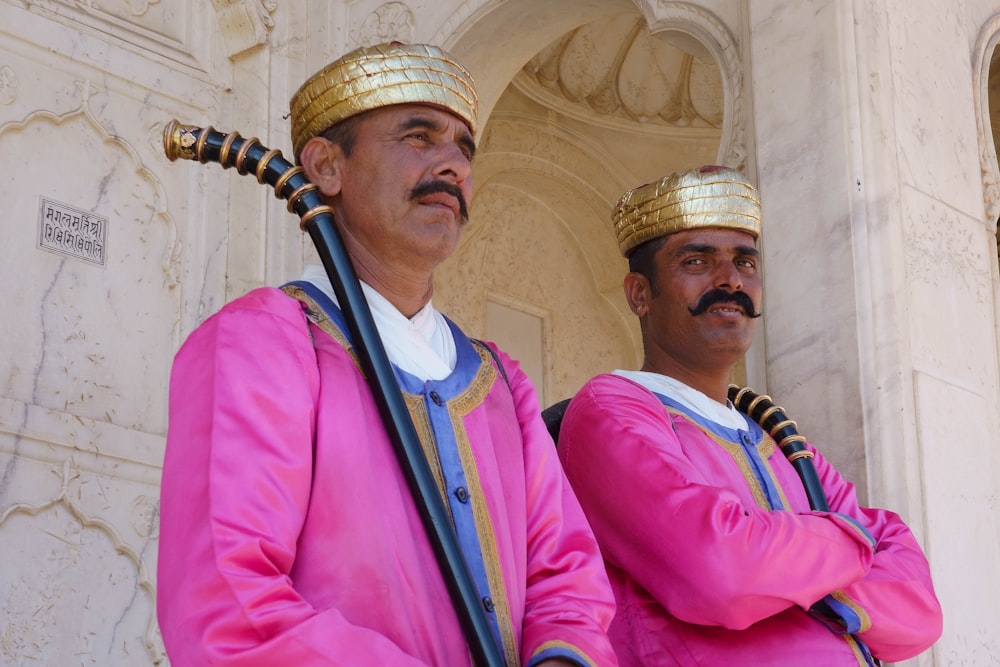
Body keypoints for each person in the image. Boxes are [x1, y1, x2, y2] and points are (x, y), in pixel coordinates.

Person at [157, 42, 618, 667]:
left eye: (464, 148)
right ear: (325, 166)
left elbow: (567, 580)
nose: (453, 164)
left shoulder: (499, 380)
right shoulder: (261, 341)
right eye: (419, 137)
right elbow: (230, 606)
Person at [556, 166, 943, 666]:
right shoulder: (611, 409)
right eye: (696, 260)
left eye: (745, 262)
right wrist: (853, 548)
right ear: (639, 294)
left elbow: (919, 611)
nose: (730, 280)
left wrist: (777, 564)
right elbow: (721, 571)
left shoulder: (777, 437)